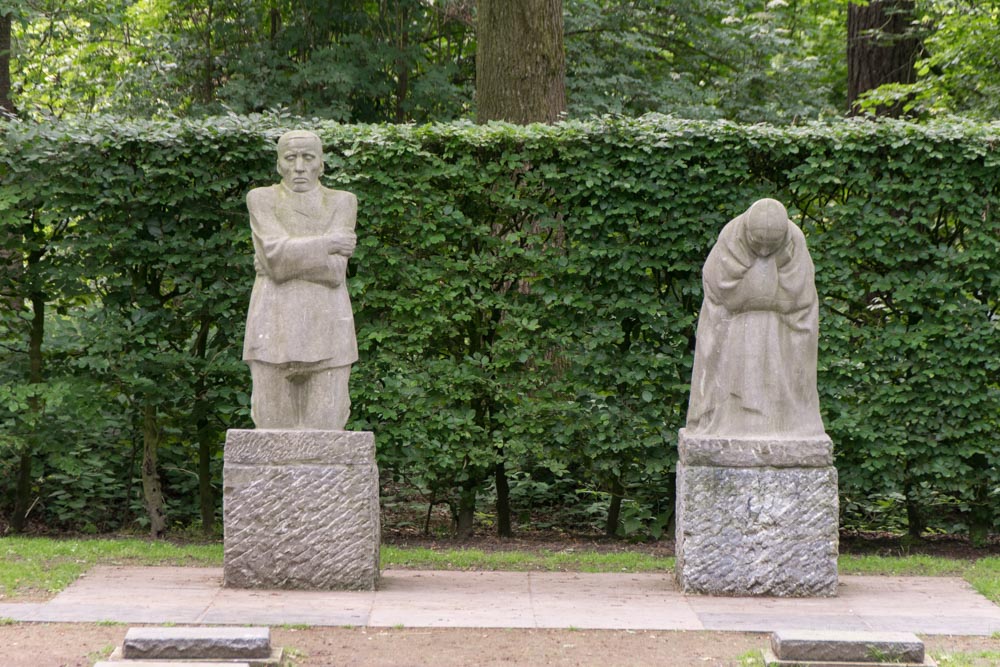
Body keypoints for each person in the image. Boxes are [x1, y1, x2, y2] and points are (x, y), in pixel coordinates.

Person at [242, 130, 359, 429]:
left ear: (321, 163)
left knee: (328, 439)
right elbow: (274, 257)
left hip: (329, 331)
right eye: (290, 158)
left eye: (308, 157)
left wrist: (281, 258)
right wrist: (330, 242)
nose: (299, 167)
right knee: (270, 440)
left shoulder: (343, 202)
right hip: (272, 329)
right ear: (279, 164)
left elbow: (334, 272)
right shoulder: (261, 199)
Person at [685, 198, 825, 437]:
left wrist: (765, 289)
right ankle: (731, 418)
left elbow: (800, 298)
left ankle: (783, 421)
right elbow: (721, 291)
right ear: (747, 232)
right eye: (757, 244)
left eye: (771, 246)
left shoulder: (796, 241)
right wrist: (761, 287)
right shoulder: (730, 237)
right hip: (734, 326)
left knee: (775, 332)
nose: (763, 252)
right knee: (744, 330)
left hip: (784, 327)